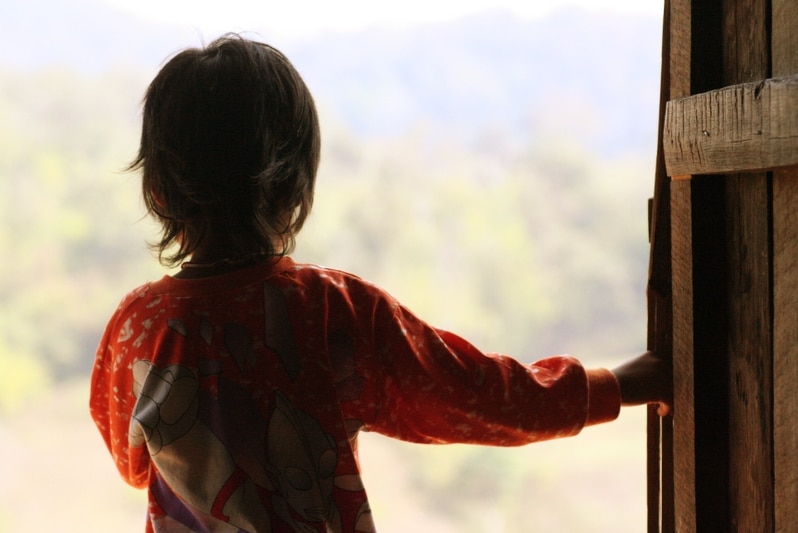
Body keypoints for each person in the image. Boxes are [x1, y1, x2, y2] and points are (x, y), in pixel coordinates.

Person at [89, 34, 671, 533]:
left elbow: (131, 460)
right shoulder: (332, 313)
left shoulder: (139, 328)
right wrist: (612, 386)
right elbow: (477, 396)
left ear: (160, 193)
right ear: (295, 189)